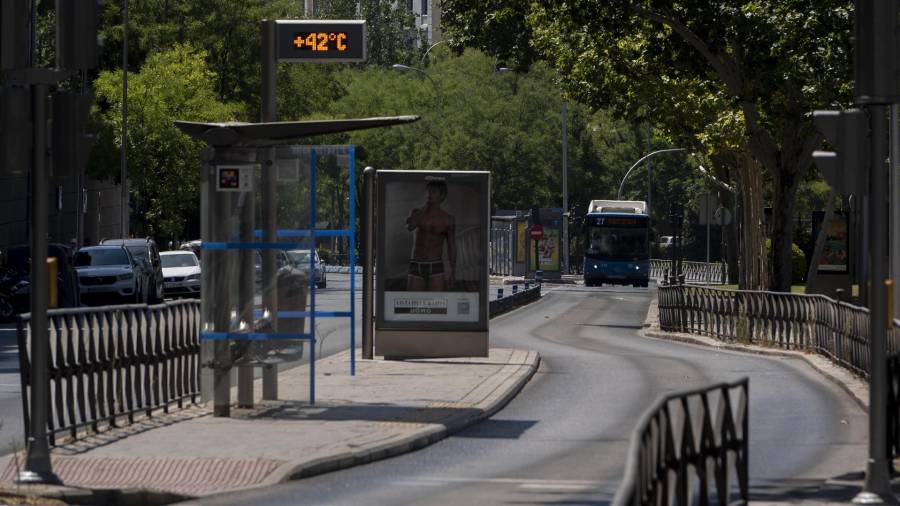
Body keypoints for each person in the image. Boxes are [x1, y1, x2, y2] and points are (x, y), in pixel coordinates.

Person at [406, 180, 457, 291]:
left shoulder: (448, 219)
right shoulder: (417, 212)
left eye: (433, 192)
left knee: (437, 303)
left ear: (442, 196)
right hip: (416, 263)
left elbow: (451, 246)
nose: (429, 194)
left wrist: (453, 271)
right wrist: (425, 208)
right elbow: (410, 227)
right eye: (428, 191)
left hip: (435, 265)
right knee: (412, 303)